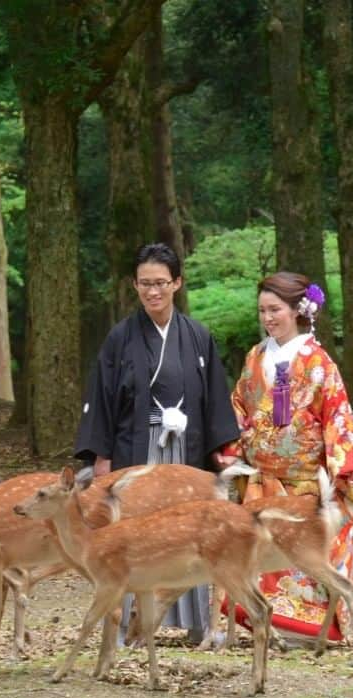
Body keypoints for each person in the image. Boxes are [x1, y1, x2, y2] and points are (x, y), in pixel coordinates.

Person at [74, 242, 240, 644]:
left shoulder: (198, 336)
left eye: (161, 283)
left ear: (177, 284)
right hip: (138, 448)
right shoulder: (120, 339)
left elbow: (215, 396)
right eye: (145, 284)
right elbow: (102, 398)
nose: (153, 292)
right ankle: (128, 623)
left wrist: (222, 448)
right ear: (134, 285)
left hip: (187, 449)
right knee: (136, 532)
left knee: (189, 529)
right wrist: (101, 457)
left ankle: (196, 621)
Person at [226, 271, 353, 646]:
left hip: (305, 481)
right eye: (262, 310)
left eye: (275, 309)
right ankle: (266, 623)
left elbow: (337, 414)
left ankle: (308, 631)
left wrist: (345, 462)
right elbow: (239, 406)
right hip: (262, 478)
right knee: (262, 549)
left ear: (298, 311)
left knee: (305, 553)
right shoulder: (255, 357)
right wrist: (232, 449)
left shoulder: (319, 362)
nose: (268, 318)